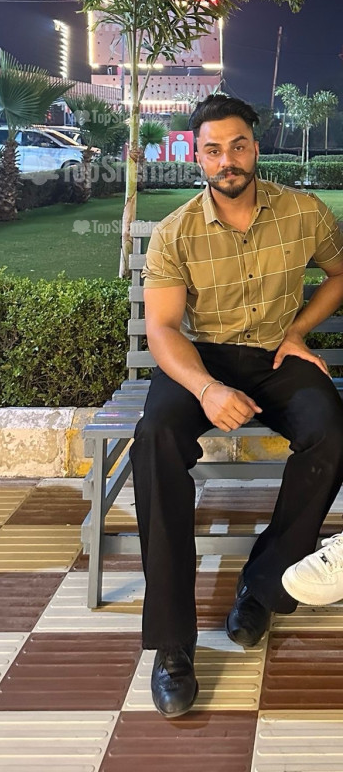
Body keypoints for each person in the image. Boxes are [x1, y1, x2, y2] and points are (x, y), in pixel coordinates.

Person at [129, 94, 343, 718]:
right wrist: (205, 389)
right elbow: (163, 329)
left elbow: (339, 272)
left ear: (255, 146)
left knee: (331, 430)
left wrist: (298, 331)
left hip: (276, 356)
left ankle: (265, 584)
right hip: (202, 361)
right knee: (156, 438)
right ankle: (172, 644)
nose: (228, 160)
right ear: (198, 157)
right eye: (213, 150)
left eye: (239, 145)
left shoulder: (304, 212)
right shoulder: (176, 232)